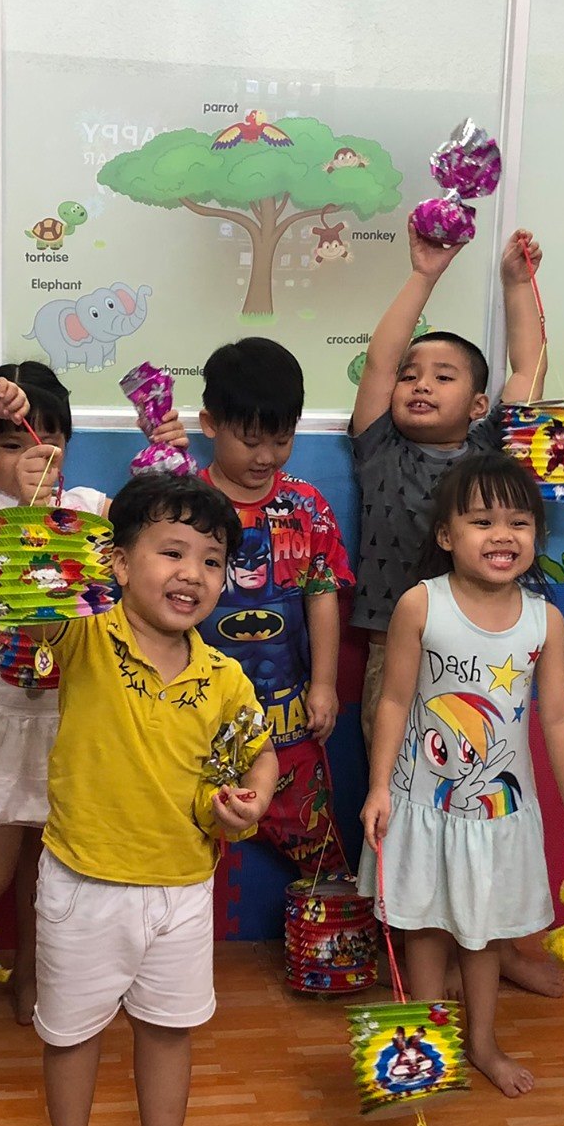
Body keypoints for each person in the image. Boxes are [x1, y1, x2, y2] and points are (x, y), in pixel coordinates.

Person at [11, 474, 279, 1126]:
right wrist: (39, 512)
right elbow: (32, 608)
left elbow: (260, 755)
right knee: (70, 1034)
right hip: (82, 883)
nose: (193, 573)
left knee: (168, 1029)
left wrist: (253, 800)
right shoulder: (86, 634)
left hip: (183, 888)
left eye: (212, 560)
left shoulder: (224, 677)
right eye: (172, 552)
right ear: (121, 564)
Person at [0, 362, 179, 1024]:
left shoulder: (91, 509)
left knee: (48, 877)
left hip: (68, 724)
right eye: (11, 442)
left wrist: (167, 450)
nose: (35, 454)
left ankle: (33, 980)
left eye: (50, 440)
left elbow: (162, 529)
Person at [351, 224, 564, 996]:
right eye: (412, 375)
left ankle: (491, 944)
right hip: (401, 653)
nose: (418, 383)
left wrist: (514, 284)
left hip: (491, 657)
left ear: (475, 404)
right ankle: (425, 946)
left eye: (442, 376)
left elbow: (528, 369)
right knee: (413, 806)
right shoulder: (378, 447)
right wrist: (425, 273)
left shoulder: (493, 456)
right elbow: (380, 360)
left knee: (483, 803)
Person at [360, 452, 564, 1097]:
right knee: (422, 925)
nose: (503, 535)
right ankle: (428, 1045)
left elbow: (559, 717)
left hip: (498, 814)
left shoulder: (545, 620)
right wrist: (380, 787)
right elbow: (394, 701)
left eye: (519, 523)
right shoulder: (421, 604)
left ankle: (484, 1042)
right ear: (447, 536)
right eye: (482, 521)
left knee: (484, 930)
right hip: (422, 805)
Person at [197, 337, 353, 874]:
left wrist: (325, 684)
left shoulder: (305, 505)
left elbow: (322, 596)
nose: (266, 456)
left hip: (288, 718)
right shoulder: (187, 505)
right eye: (251, 441)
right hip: (199, 717)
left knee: (321, 854)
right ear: (210, 424)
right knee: (185, 851)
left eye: (282, 440)